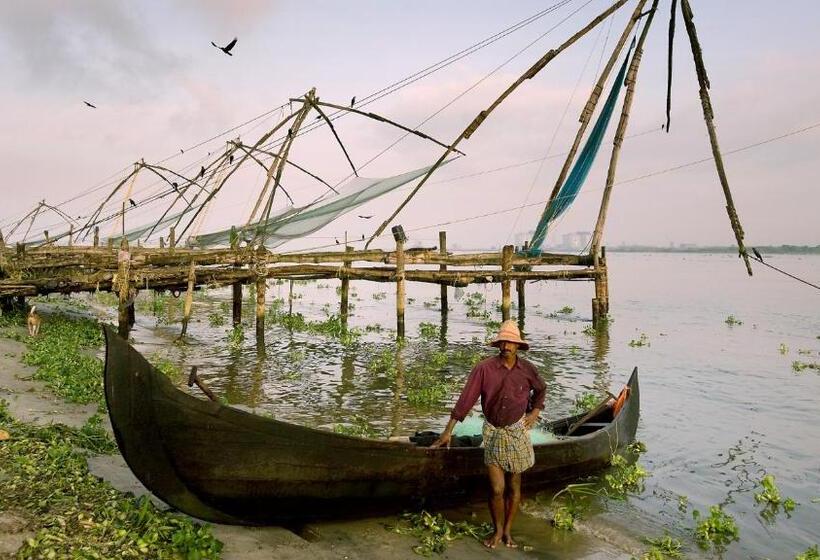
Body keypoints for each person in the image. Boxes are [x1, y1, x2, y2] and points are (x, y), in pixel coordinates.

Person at [431, 319, 546, 549]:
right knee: (496, 488)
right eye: (503, 342)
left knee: (514, 486)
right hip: (493, 432)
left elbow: (541, 389)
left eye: (511, 342)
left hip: (517, 432)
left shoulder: (527, 370)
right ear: (498, 344)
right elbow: (465, 401)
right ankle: (497, 530)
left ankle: (508, 532)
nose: (506, 346)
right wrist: (447, 432)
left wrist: (534, 413)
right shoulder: (484, 369)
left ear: (517, 346)